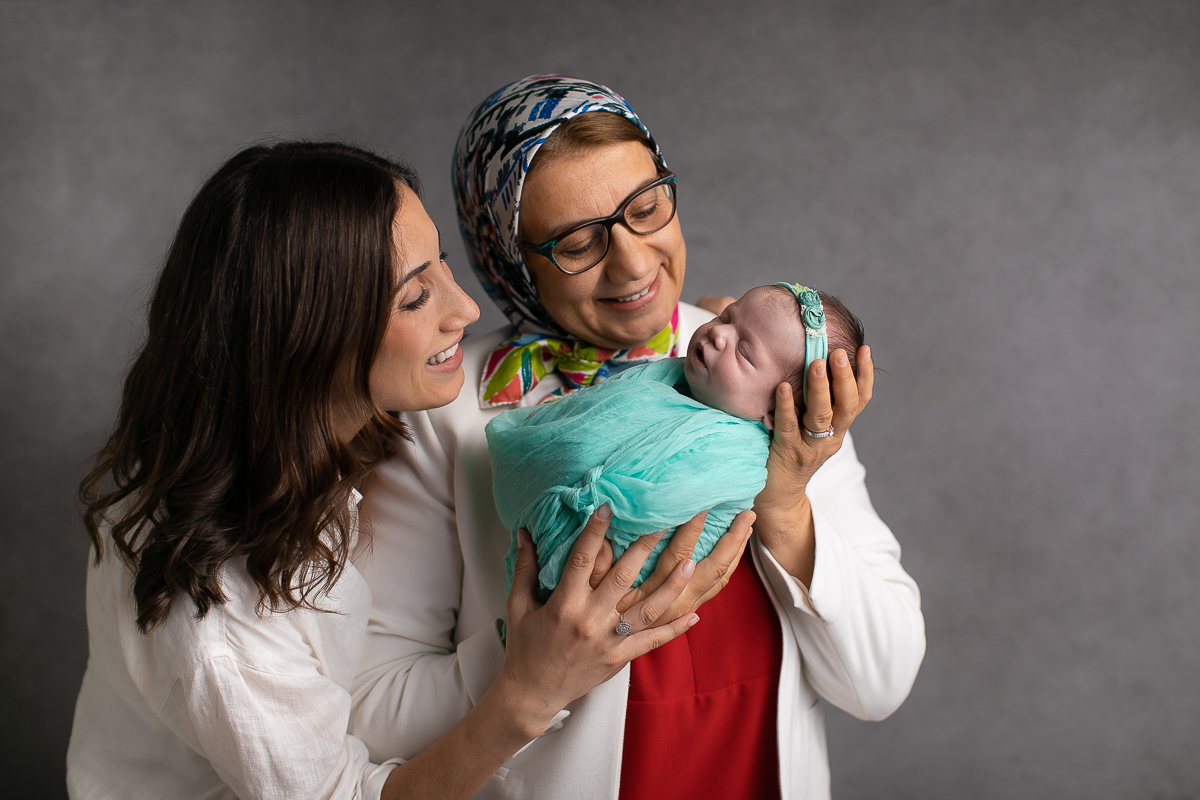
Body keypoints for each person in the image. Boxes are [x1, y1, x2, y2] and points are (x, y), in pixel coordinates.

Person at [66, 141, 700, 800]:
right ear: (309, 334)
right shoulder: (217, 618)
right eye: (415, 296)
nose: (466, 311)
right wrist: (532, 691)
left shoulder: (290, 441)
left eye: (442, 267)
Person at [351, 76, 926, 800]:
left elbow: (880, 682)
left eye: (646, 208)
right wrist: (529, 661)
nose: (632, 264)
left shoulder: (771, 375)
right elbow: (372, 709)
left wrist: (787, 508)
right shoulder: (441, 407)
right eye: (577, 244)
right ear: (508, 257)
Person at [486, 283, 865, 596]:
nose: (718, 332)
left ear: (775, 414)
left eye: (745, 351)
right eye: (726, 316)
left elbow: (654, 501)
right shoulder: (672, 375)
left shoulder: (745, 457)